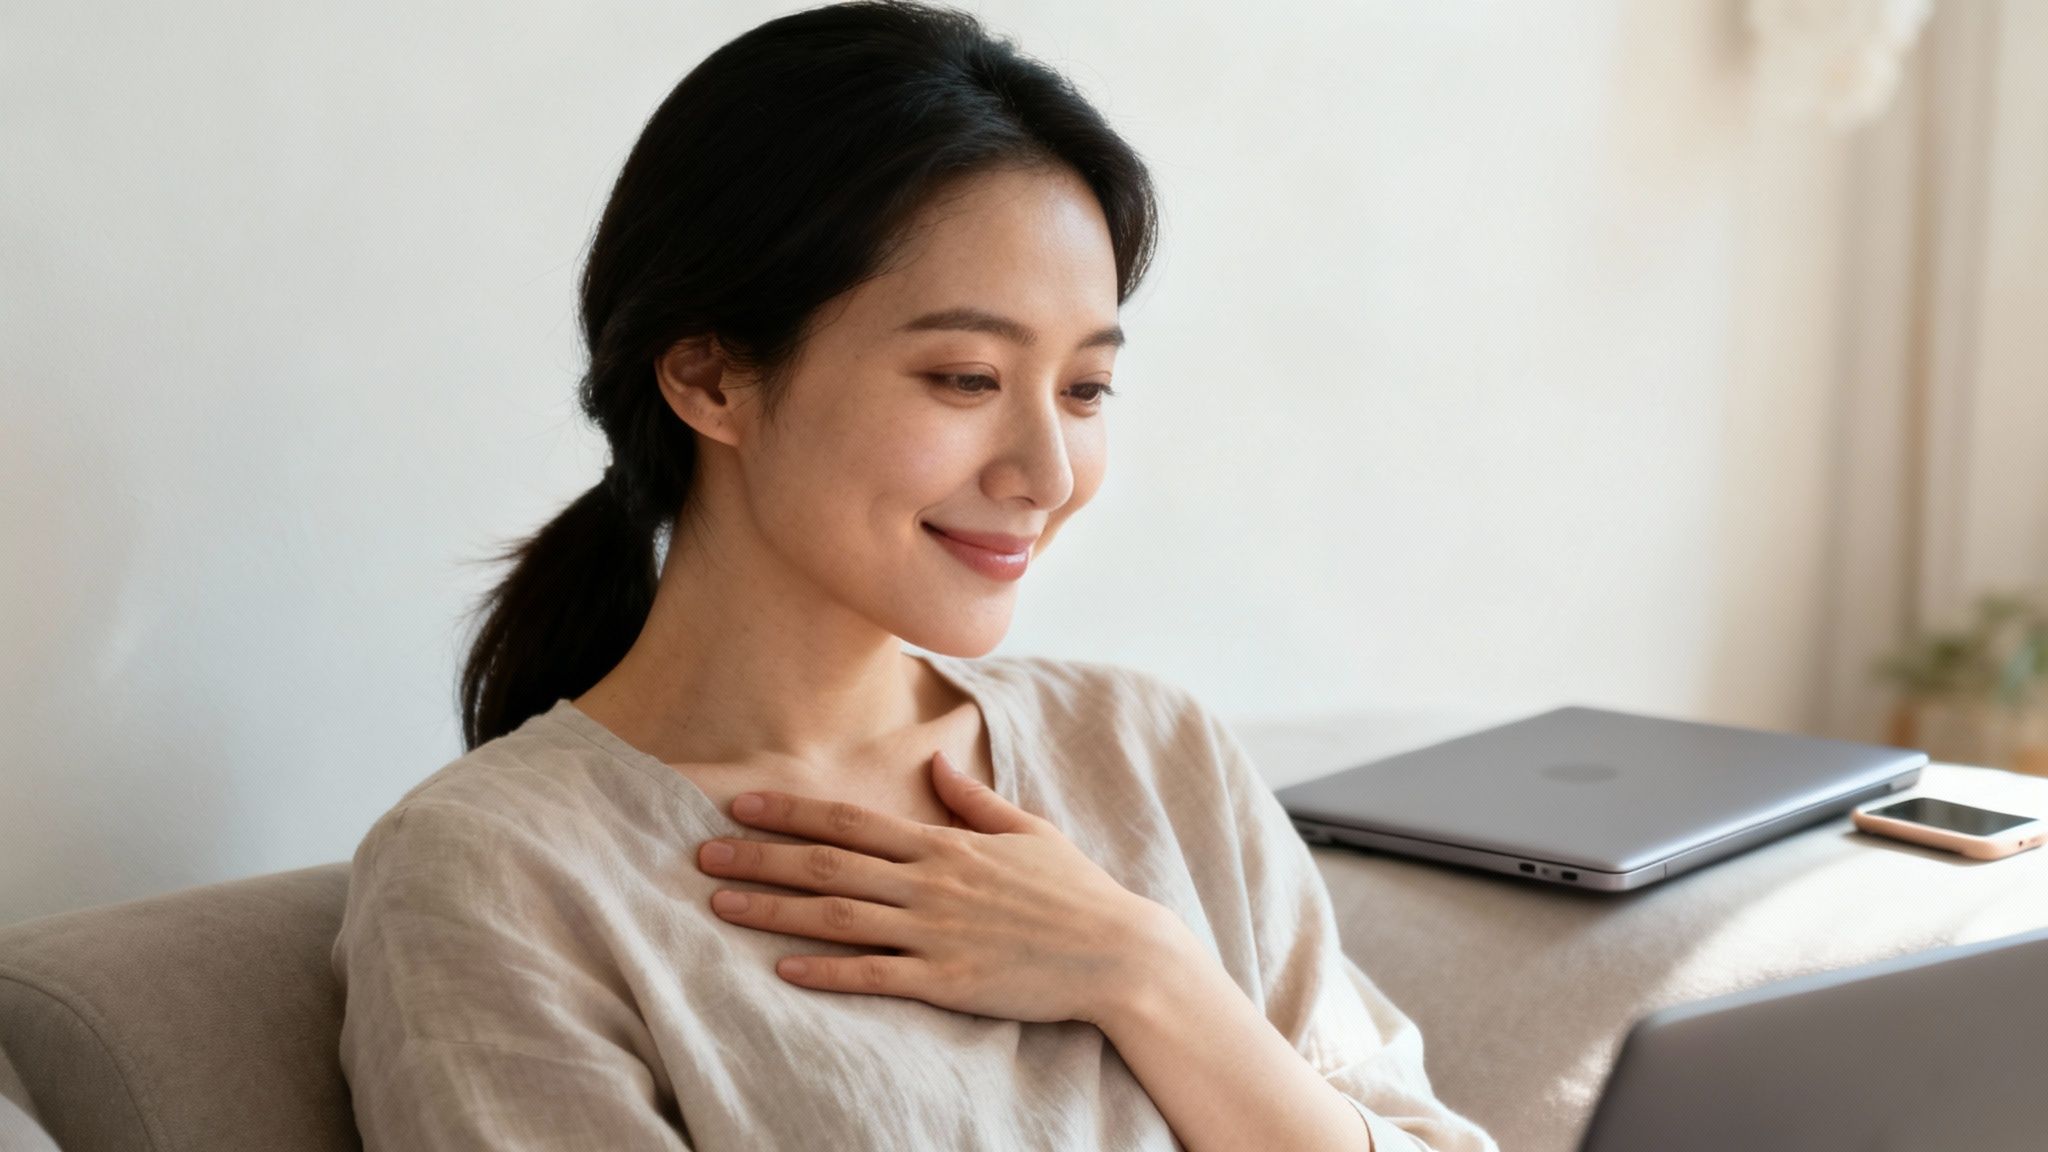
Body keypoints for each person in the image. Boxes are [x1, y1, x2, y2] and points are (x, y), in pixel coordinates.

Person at [330, 3, 1500, 1149]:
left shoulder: (1148, 750)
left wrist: (1146, 976)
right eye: (964, 379)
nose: (1046, 473)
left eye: (1084, 389)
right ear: (708, 379)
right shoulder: (496, 877)